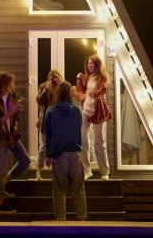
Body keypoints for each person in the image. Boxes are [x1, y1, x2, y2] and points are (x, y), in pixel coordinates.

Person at [0, 71, 31, 213]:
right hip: (0, 137)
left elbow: (15, 117)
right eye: (10, 83)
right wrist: (10, 112)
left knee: (25, 160)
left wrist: (15, 112)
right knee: (1, 169)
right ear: (4, 84)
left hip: (12, 136)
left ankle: (3, 184)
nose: (12, 86)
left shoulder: (12, 96)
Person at [45, 81, 87, 221]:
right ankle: (82, 219)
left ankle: (60, 220)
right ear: (70, 94)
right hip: (75, 152)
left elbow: (48, 135)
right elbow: (78, 130)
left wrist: (48, 155)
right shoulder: (77, 111)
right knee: (78, 189)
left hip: (58, 154)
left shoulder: (50, 111)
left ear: (57, 93)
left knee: (59, 191)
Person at [76, 54, 112, 180]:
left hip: (98, 112)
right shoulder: (88, 77)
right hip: (86, 111)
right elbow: (82, 91)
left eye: (91, 63)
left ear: (97, 65)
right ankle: (86, 171)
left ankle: (104, 172)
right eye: (88, 63)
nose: (89, 65)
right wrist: (80, 80)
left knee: (99, 143)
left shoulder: (102, 77)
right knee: (83, 141)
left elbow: (102, 91)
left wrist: (94, 93)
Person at [35, 70, 64, 180]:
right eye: (51, 78)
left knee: (57, 148)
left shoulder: (62, 88)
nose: (53, 80)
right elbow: (39, 100)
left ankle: (57, 173)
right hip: (45, 122)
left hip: (58, 123)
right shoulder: (43, 86)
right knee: (43, 148)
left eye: (56, 77)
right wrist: (46, 89)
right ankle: (38, 172)